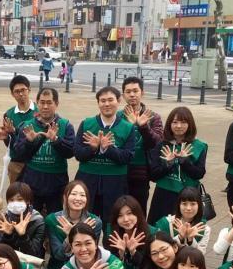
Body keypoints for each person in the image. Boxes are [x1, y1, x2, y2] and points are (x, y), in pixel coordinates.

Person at [74, 86, 136, 219]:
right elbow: (78, 154)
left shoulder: (128, 127)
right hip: (88, 180)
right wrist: (92, 148)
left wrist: (108, 149)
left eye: (110, 100)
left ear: (118, 101)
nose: (107, 104)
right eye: (103, 101)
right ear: (98, 103)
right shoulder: (87, 124)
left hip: (115, 182)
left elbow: (127, 157)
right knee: (85, 220)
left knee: (112, 221)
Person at [12, 87, 75, 216]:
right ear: (37, 103)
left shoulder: (65, 125)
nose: (45, 106)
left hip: (57, 184)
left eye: (49, 102)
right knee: (29, 218)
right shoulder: (27, 125)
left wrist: (56, 140)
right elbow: (18, 154)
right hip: (32, 182)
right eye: (42, 102)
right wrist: (29, 142)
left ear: (56, 104)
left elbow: (70, 153)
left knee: (55, 220)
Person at [44, 180, 102, 269]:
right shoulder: (52, 220)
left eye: (82, 195)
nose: (78, 198)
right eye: (74, 194)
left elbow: (90, 255)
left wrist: (76, 233)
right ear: (65, 197)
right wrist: (71, 235)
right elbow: (58, 255)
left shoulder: (95, 222)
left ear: (87, 199)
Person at [147, 106, 207, 224]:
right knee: (160, 228)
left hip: (188, 197)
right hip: (163, 195)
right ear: (169, 124)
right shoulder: (161, 145)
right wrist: (168, 164)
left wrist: (184, 161)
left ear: (190, 124)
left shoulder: (199, 146)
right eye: (175, 122)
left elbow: (199, 174)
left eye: (183, 122)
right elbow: (153, 175)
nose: (179, 126)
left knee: (185, 229)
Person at [121, 76, 164, 214]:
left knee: (138, 212)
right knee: (118, 211)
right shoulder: (117, 117)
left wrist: (143, 126)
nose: (132, 95)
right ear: (123, 95)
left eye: (135, 91)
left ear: (142, 93)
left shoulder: (153, 117)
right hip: (120, 171)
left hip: (141, 172)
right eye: (128, 92)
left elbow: (157, 143)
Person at [0, 75, 35, 185]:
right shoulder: (9, 115)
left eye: (23, 90)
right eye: (17, 91)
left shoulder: (39, 111)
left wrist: (15, 132)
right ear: (12, 94)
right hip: (16, 163)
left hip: (36, 162)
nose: (21, 94)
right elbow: (10, 144)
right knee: (16, 193)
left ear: (29, 90)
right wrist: (7, 137)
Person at [0, 182, 46, 259]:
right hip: (10, 259)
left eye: (20, 200)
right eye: (11, 200)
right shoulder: (4, 218)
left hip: (30, 261)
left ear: (28, 201)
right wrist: (8, 235)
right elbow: (1, 251)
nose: (15, 203)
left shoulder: (38, 220)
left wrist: (23, 236)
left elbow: (34, 253)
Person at [153, 186, 211, 252]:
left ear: (199, 206)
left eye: (193, 204)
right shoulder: (166, 223)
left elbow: (201, 254)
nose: (188, 208)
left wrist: (191, 240)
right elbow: (160, 250)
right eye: (184, 204)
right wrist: (180, 237)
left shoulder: (204, 228)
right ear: (179, 205)